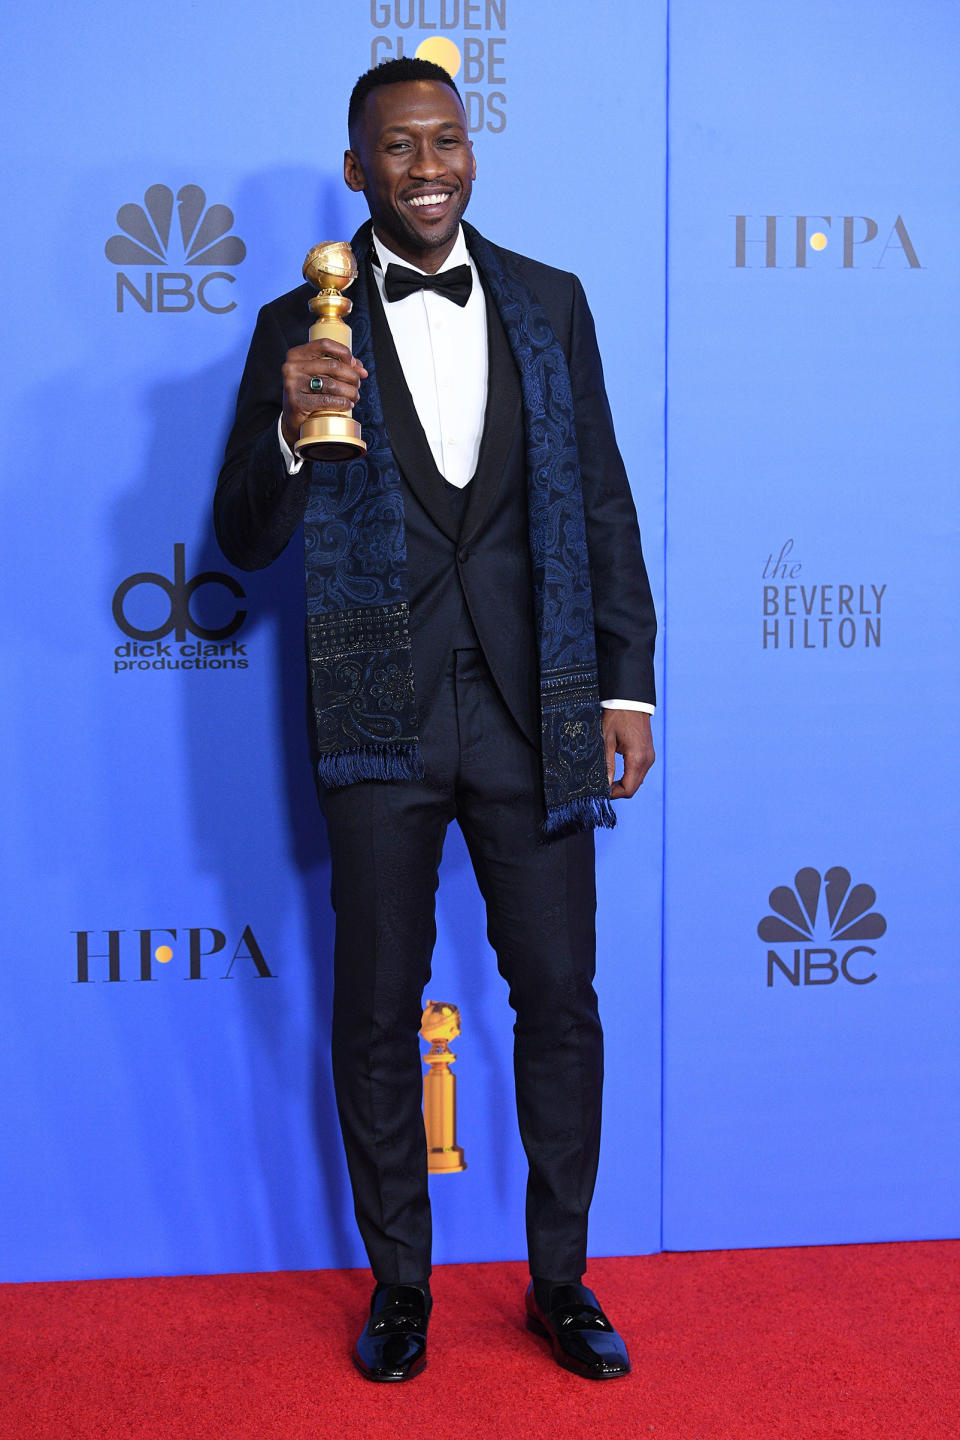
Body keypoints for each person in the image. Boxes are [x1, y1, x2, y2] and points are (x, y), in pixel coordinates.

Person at [215, 56, 656, 1383]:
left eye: (447, 142)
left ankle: (562, 1281)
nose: (428, 168)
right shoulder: (305, 319)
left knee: (562, 1003)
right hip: (378, 714)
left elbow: (605, 502)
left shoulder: (550, 301)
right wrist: (295, 431)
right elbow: (239, 537)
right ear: (357, 170)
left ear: (473, 151)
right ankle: (399, 1288)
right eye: (399, 149)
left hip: (538, 710)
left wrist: (626, 681)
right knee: (375, 1012)